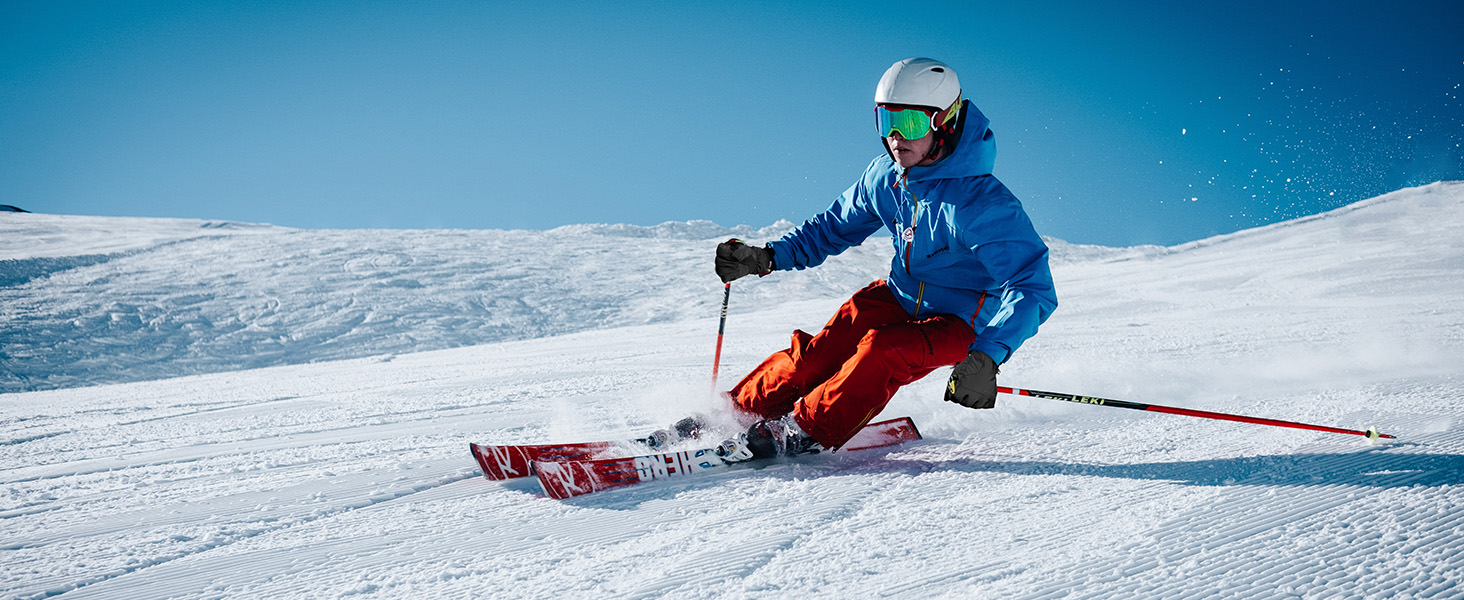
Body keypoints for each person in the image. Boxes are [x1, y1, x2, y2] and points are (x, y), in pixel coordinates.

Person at [711, 57, 1058, 461]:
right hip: (898, 296)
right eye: (885, 121)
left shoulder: (982, 204)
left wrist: (987, 355)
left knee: (883, 349)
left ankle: (804, 430)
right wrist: (766, 256)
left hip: (960, 322)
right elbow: (832, 227)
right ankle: (734, 413)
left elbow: (1032, 288)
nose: (895, 137)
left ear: (944, 122)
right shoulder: (886, 176)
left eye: (909, 123)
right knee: (819, 354)